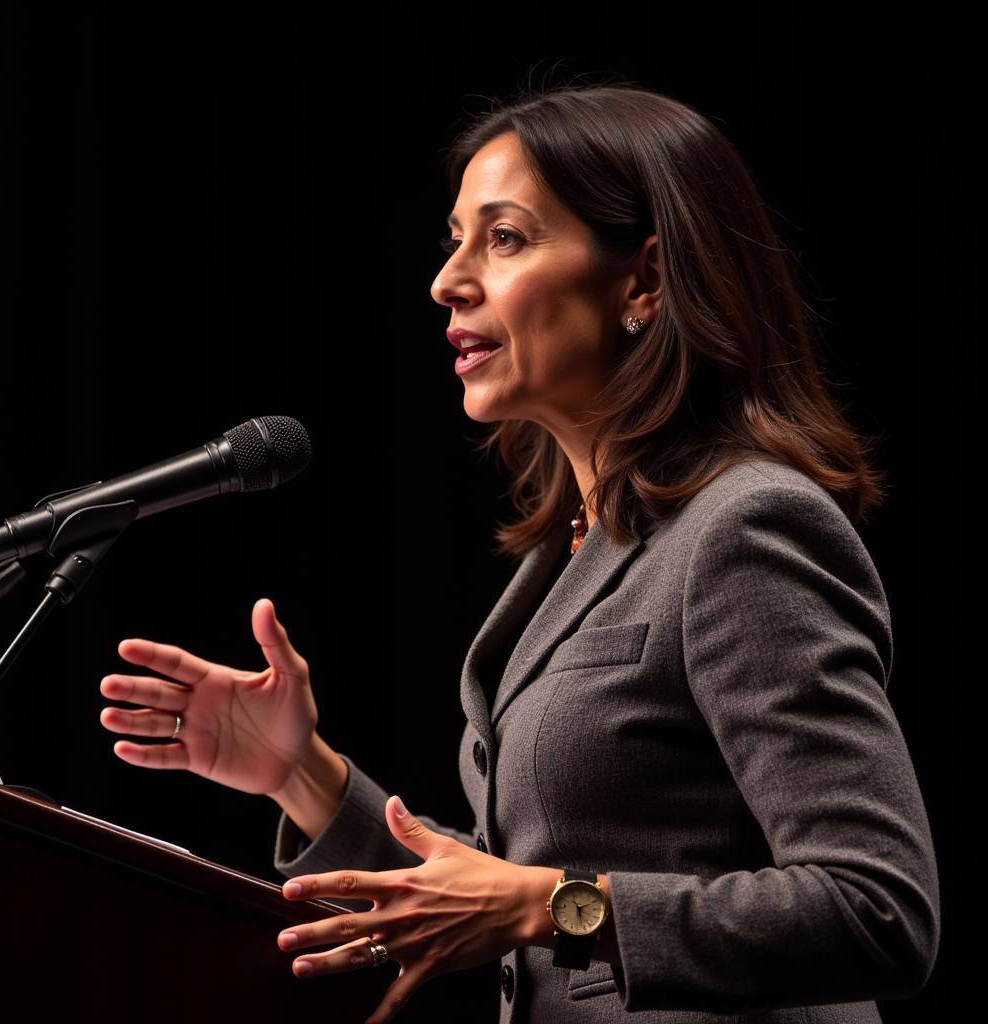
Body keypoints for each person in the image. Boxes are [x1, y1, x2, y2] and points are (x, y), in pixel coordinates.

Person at [99, 81, 940, 1024]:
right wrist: (302, 772)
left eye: (502, 239)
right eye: (454, 238)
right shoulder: (580, 544)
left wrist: (552, 906)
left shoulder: (746, 529)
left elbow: (878, 909)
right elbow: (500, 895)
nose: (447, 280)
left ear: (646, 280)